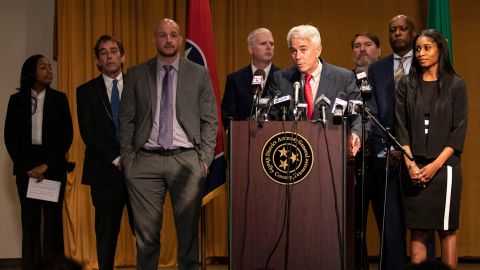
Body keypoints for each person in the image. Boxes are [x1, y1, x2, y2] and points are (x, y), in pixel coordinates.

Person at [119, 18, 218, 270]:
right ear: (154, 39)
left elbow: (210, 120)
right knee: (147, 238)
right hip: (144, 163)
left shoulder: (199, 74)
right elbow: (126, 122)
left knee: (188, 237)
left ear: (180, 39)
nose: (168, 40)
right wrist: (130, 163)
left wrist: (204, 162)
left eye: (173, 35)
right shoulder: (136, 74)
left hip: (186, 162)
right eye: (162, 35)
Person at [396, 29, 467, 269]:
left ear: (439, 49)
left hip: (444, 170)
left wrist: (435, 166)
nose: (421, 53)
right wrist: (411, 164)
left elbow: (458, 131)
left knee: (446, 231)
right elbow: (401, 127)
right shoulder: (406, 83)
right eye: (417, 49)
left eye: (427, 47)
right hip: (413, 167)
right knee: (417, 230)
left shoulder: (456, 85)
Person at [4, 55, 73, 270]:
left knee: (53, 226)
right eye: (43, 67)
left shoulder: (60, 99)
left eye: (50, 67)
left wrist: (46, 166)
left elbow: (66, 136)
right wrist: (28, 168)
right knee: (30, 223)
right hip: (27, 170)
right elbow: (10, 137)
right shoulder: (16, 101)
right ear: (31, 72)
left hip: (52, 166)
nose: (49, 71)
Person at [76, 35, 134, 270]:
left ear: (122, 57)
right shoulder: (86, 91)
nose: (109, 56)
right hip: (104, 173)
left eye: (113, 51)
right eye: (103, 52)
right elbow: (87, 131)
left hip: (139, 172)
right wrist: (117, 158)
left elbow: (148, 125)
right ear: (98, 60)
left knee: (146, 233)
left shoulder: (137, 85)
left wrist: (131, 158)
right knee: (106, 236)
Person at [364, 14, 417, 270]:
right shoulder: (377, 68)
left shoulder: (425, 62)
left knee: (420, 226)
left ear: (413, 33)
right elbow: (371, 111)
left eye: (402, 29)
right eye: (392, 30)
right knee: (391, 226)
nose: (397, 33)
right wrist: (387, 147)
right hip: (386, 159)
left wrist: (406, 149)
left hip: (420, 158)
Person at [267, 24, 362, 157]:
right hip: (294, 157)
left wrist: (356, 133)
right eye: (293, 51)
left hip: (332, 154)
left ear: (318, 50)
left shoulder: (343, 78)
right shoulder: (281, 79)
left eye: (303, 49)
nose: (297, 56)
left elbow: (358, 114)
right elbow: (270, 118)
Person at [350, 32, 381, 270]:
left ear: (378, 50)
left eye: (367, 45)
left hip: (385, 162)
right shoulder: (346, 79)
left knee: (388, 224)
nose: (362, 49)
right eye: (357, 46)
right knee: (355, 227)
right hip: (354, 163)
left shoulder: (389, 77)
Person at [221, 27, 279, 130]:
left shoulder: (282, 78)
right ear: (250, 49)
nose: (269, 47)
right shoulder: (235, 79)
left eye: (271, 43)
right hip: (244, 140)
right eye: (263, 43)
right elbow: (227, 115)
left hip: (276, 140)